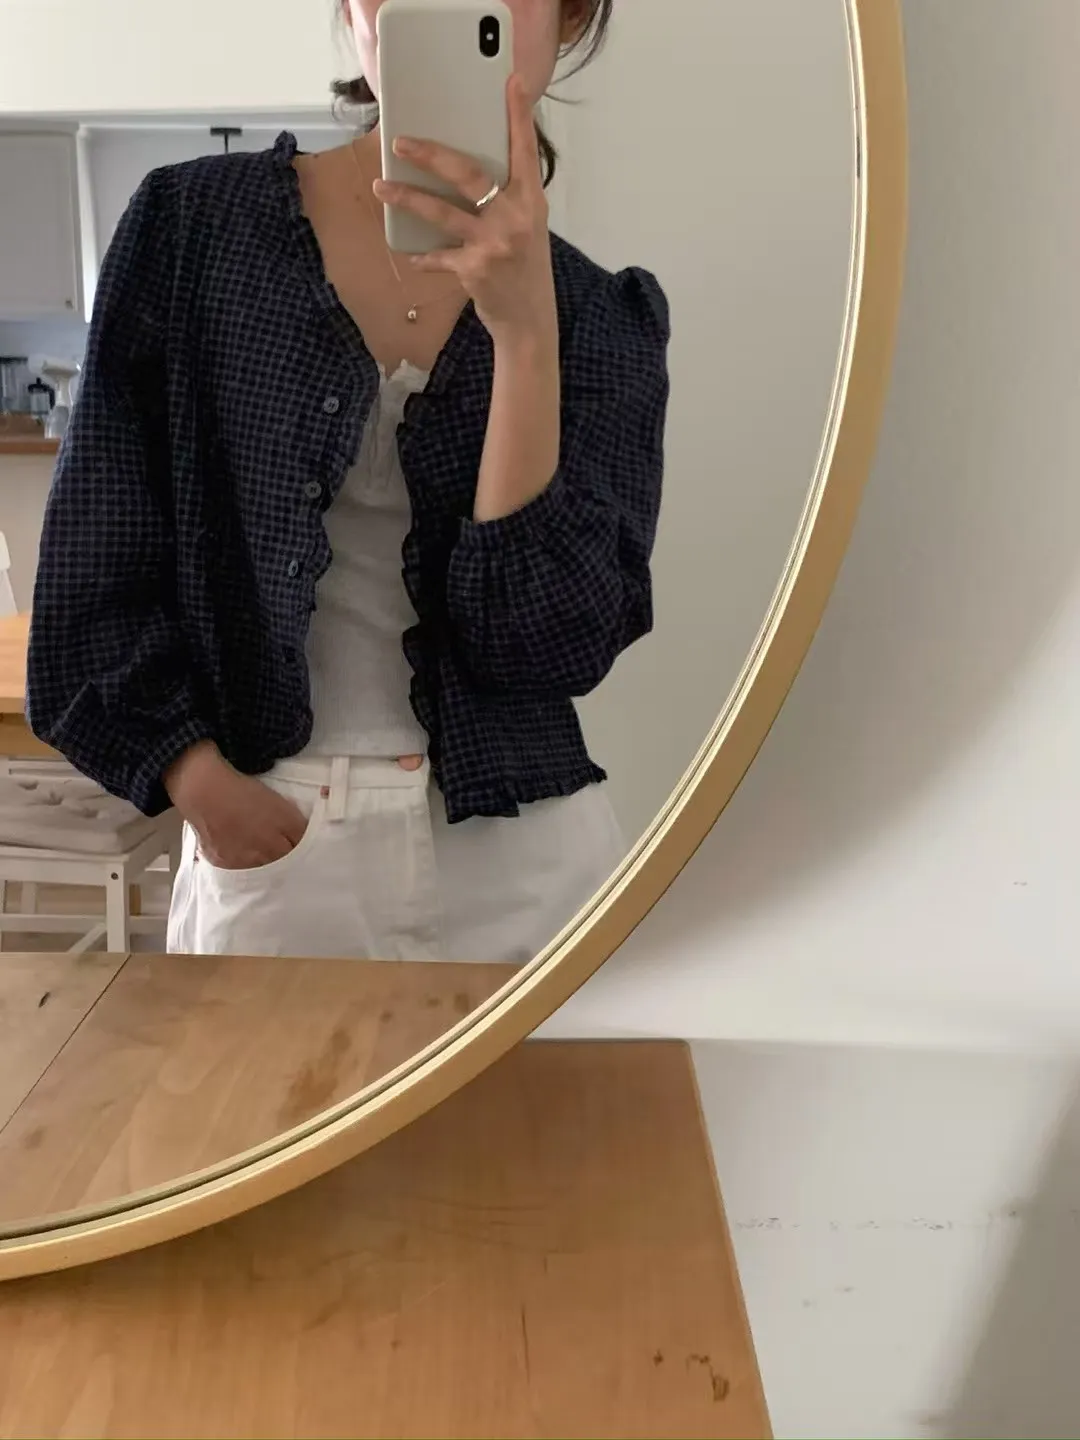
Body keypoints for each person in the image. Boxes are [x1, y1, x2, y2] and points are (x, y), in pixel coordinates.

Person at [27, 0, 671, 964]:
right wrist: (200, 784)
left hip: (530, 868)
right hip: (273, 845)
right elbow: (93, 568)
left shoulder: (599, 316)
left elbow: (545, 648)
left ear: (571, 17)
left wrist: (525, 336)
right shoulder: (194, 229)